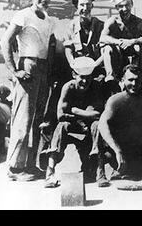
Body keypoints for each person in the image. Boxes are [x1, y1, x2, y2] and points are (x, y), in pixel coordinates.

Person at [0, 0, 55, 181]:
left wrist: (50, 74)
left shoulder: (49, 20)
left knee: (37, 120)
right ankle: (14, 168)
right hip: (28, 66)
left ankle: (30, 165)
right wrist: (14, 71)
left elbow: (49, 47)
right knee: (22, 118)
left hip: (42, 69)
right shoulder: (23, 15)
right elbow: (5, 41)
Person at [44, 57, 108, 188]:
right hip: (73, 124)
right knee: (62, 127)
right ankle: (50, 172)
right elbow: (61, 115)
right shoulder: (68, 87)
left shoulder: (95, 86)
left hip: (88, 125)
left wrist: (74, 110)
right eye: (81, 77)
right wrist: (82, 116)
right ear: (74, 75)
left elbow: (97, 114)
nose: (85, 81)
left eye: (88, 77)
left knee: (97, 126)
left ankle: (100, 171)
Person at [100, 0, 142, 83]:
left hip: (131, 56)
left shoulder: (138, 22)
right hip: (116, 56)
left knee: (140, 48)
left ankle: (138, 77)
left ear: (132, 5)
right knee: (108, 48)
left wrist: (132, 41)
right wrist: (119, 42)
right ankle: (110, 78)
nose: (124, 9)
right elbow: (102, 38)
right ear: (116, 8)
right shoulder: (112, 21)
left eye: (127, 5)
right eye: (121, 6)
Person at [63, 0, 105, 78]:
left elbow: (105, 51)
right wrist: (73, 64)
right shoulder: (70, 26)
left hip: (97, 68)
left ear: (92, 6)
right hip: (78, 70)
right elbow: (68, 49)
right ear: (76, 7)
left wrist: (94, 65)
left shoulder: (101, 26)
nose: (85, 8)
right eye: (82, 5)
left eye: (88, 4)